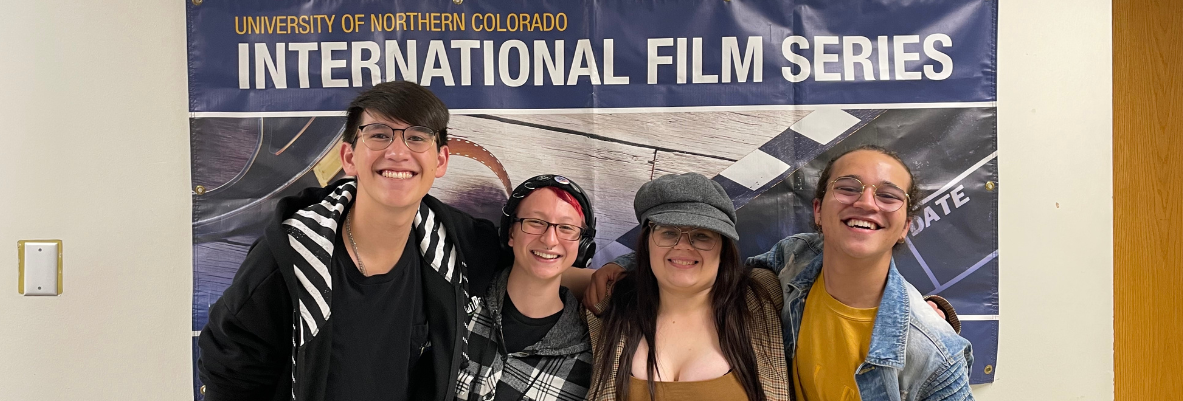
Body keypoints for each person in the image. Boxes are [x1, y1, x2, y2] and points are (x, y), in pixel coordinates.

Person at [198, 81, 509, 401]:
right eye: (378, 135)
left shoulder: (457, 243)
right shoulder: (287, 260)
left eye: (416, 137)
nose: (398, 152)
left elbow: (532, 262)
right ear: (348, 156)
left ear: (441, 161)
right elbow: (228, 375)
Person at [588, 146, 974, 401]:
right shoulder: (792, 263)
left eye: (888, 195)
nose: (866, 202)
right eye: (849, 187)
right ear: (818, 212)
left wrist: (928, 314)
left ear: (906, 224)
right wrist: (620, 268)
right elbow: (702, 271)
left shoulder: (934, 352)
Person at [586, 173, 787, 401]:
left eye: (701, 235)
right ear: (647, 241)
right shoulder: (610, 303)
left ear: (723, 247)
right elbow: (545, 276)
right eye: (669, 232)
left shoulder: (765, 295)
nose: (683, 246)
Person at [453, 175, 596, 401]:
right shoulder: (458, 303)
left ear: (583, 246)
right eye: (535, 222)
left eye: (567, 227)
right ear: (511, 233)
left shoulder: (588, 360)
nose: (550, 240)